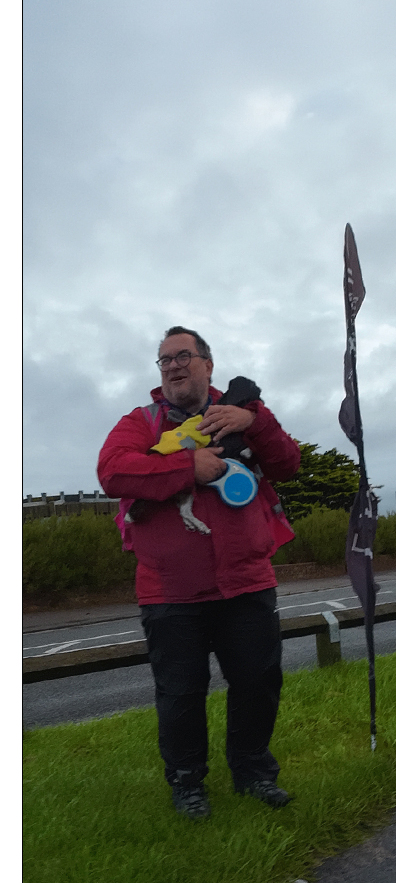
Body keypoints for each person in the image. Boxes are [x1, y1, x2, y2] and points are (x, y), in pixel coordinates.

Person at [98, 326, 302, 819]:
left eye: (182, 356)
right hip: (169, 591)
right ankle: (188, 783)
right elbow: (113, 471)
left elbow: (288, 463)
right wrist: (189, 467)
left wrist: (251, 421)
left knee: (258, 682)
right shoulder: (141, 422)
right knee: (180, 694)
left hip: (247, 580)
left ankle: (253, 773)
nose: (172, 365)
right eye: (164, 360)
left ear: (208, 364)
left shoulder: (244, 413)